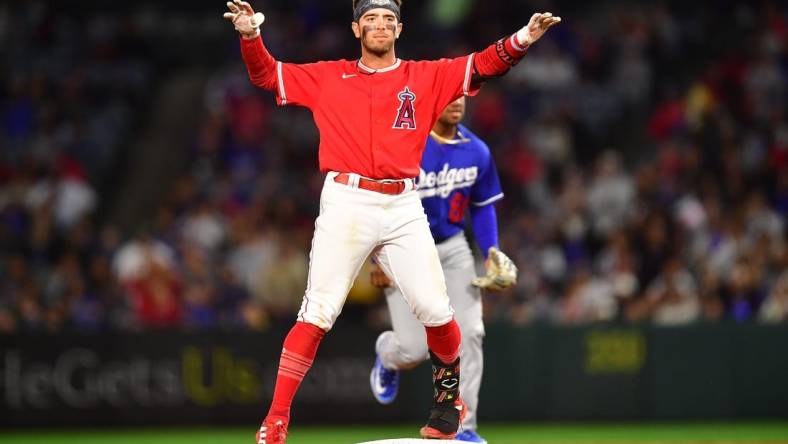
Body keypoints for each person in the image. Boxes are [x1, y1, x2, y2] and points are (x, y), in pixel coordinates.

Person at [222, 0, 560, 442]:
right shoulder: (328, 75)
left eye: (387, 19)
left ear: (399, 29)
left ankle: (446, 407)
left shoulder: (425, 76)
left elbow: (484, 65)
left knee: (438, 311)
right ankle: (277, 418)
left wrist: (524, 38)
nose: (379, 25)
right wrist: (250, 36)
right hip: (347, 200)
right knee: (318, 311)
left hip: (403, 202)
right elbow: (267, 74)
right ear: (355, 28)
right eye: (371, 19)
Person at [369, 97, 516, 444]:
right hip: (404, 248)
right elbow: (377, 202)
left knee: (471, 333)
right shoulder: (406, 146)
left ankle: (465, 427)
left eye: (461, 95)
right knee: (414, 350)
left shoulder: (476, 150)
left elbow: (481, 207)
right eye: (448, 95)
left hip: (453, 248)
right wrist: (377, 256)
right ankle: (388, 355)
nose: (457, 102)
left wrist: (491, 250)